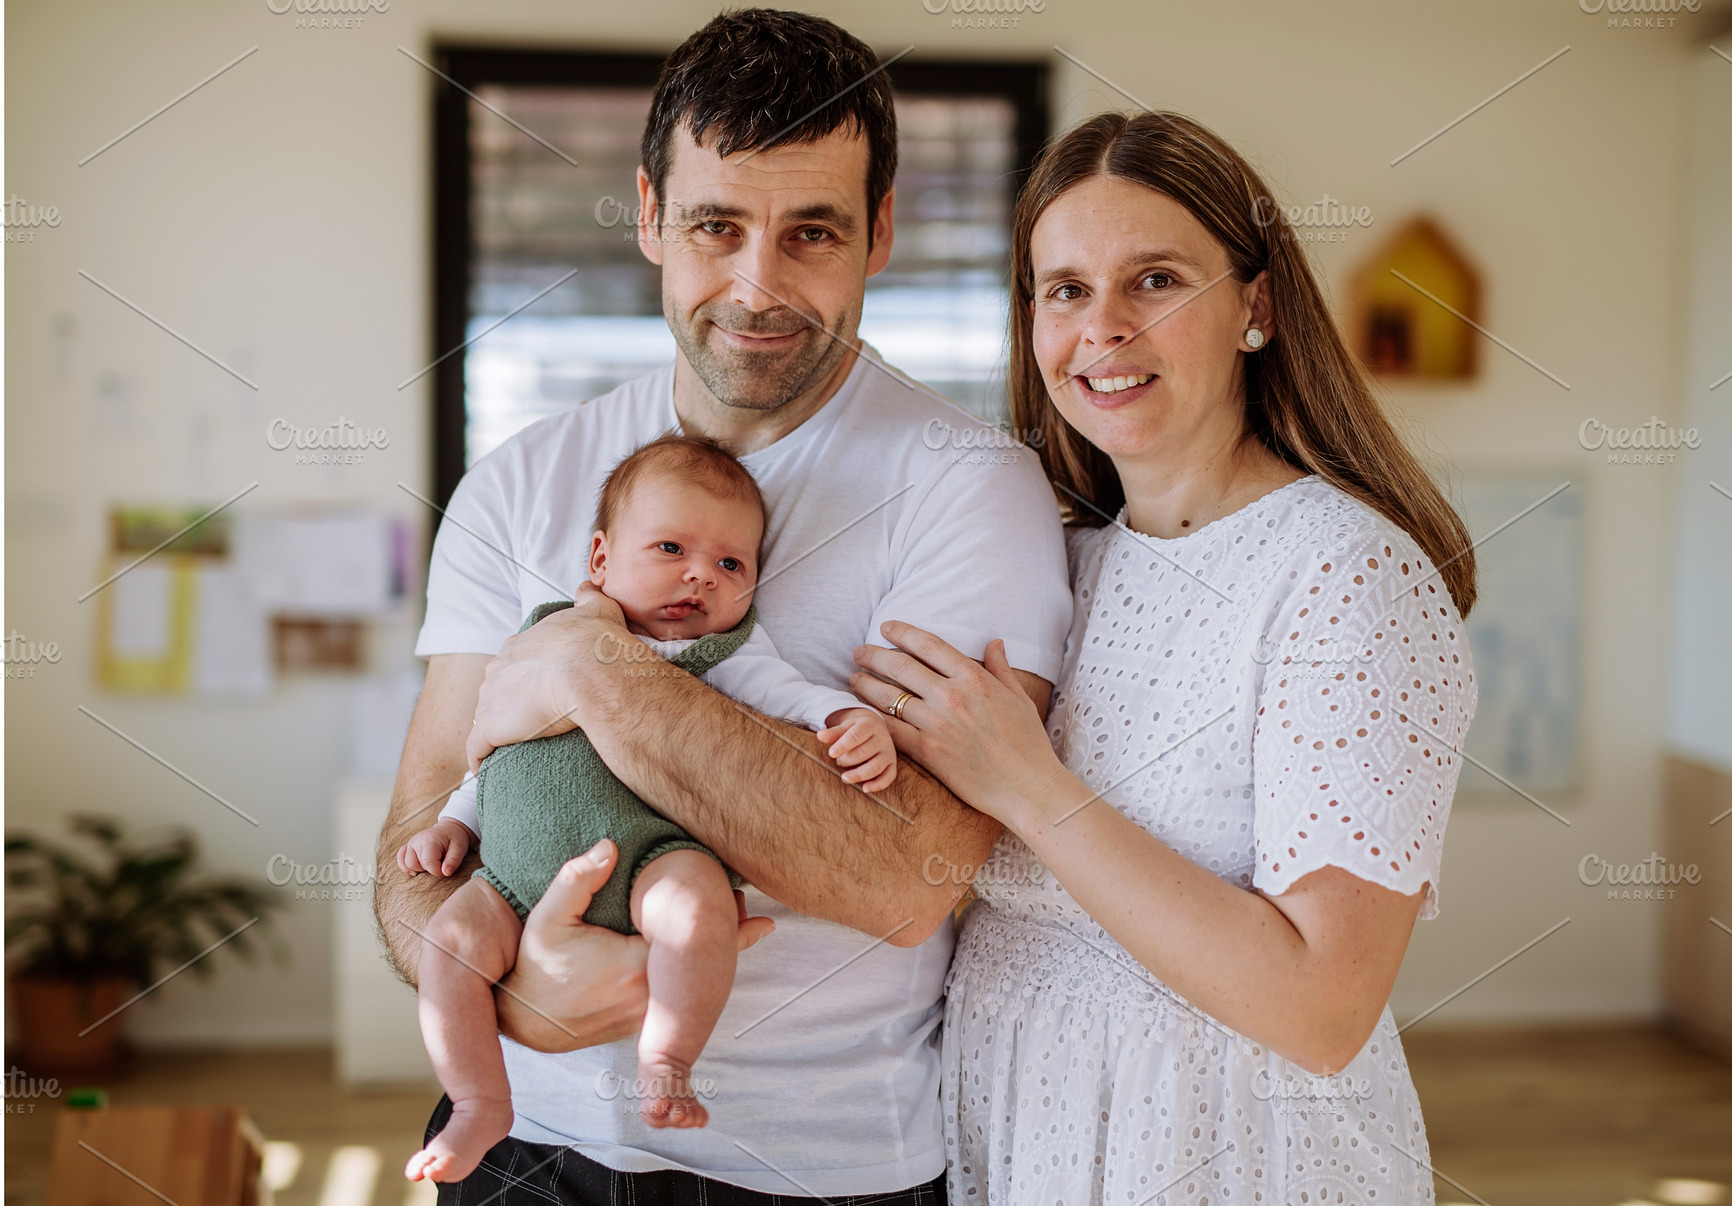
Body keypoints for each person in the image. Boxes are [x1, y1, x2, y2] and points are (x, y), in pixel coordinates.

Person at [372, 10, 1073, 1203]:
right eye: (715, 225)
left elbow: (907, 878)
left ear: (880, 232)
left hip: (812, 1169)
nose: (758, 286)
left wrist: (593, 671)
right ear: (649, 214)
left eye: (812, 232)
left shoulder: (968, 491)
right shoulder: (519, 482)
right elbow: (410, 850)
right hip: (515, 1155)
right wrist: (522, 1007)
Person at [842, 112, 1481, 1203]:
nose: (1103, 331)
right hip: (1019, 1128)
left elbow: (1321, 1008)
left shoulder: (1345, 576)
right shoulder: (1055, 562)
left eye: (1154, 281)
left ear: (1255, 307)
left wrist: (1029, 789)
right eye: (1064, 290)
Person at [399, 435, 897, 1182]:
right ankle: (477, 1102)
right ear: (601, 561)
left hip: (652, 856)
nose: (702, 574)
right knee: (448, 943)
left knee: (701, 909)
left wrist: (847, 722)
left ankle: (667, 1056)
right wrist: (454, 823)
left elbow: (797, 701)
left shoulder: (730, 654)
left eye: (732, 564)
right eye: (671, 547)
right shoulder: (547, 634)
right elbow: (491, 749)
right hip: (506, 879)